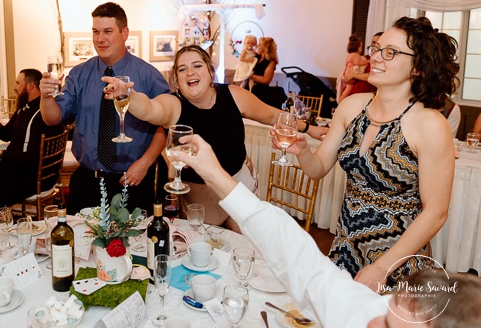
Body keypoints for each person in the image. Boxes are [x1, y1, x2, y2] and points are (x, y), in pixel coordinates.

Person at [170, 134, 481, 328]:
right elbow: (297, 255)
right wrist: (214, 173)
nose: (372, 327)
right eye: (386, 311)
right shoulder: (369, 314)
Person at [280, 17, 459, 292]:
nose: (374, 58)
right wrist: (303, 151)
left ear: (419, 68)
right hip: (346, 247)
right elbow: (317, 169)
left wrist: (382, 268)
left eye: (390, 52)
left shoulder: (430, 124)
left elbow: (436, 212)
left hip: (398, 261)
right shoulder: (351, 107)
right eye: (376, 48)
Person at [103, 44, 328, 230]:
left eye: (197, 66)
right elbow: (149, 109)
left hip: (240, 184)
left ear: (210, 72)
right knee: (208, 257)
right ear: (176, 81)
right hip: (200, 198)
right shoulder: (173, 105)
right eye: (182, 69)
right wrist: (128, 95)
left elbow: (272, 115)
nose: (190, 72)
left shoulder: (234, 95)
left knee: (248, 247)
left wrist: (309, 129)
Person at [39, 2, 170, 214]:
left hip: (133, 180)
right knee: (82, 244)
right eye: (96, 32)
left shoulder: (148, 75)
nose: (100, 39)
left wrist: (145, 163)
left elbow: (165, 126)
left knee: (135, 245)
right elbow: (53, 118)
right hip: (89, 181)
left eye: (108, 31)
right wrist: (45, 97)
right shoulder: (80, 74)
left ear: (124, 32)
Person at [0, 69, 64, 223]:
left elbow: (31, 158)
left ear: (30, 85)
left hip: (32, 178)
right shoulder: (23, 109)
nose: (15, 88)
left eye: (18, 83)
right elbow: (6, 135)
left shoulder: (42, 114)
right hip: (21, 172)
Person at [343, 32, 381, 98]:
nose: (375, 45)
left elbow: (373, 76)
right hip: (351, 97)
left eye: (378, 43)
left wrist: (353, 75)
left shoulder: (383, 62)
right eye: (373, 42)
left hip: (368, 99)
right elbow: (346, 78)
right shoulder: (364, 58)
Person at [249, 37, 284, 108]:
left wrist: (251, 76)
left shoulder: (271, 62)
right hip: (250, 87)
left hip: (261, 91)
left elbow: (266, 80)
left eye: (260, 44)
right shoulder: (256, 57)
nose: (257, 46)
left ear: (266, 47)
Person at [336, 34, 370, 103]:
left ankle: (341, 98)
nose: (361, 49)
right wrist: (368, 61)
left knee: (348, 87)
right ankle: (341, 100)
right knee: (349, 87)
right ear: (357, 47)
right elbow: (359, 62)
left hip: (348, 72)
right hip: (350, 73)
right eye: (361, 47)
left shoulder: (350, 55)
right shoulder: (355, 55)